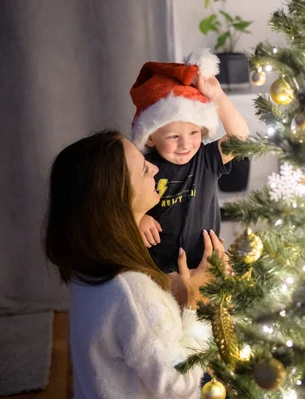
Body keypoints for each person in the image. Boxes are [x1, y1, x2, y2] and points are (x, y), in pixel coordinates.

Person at [44, 130, 223, 399]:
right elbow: (179, 383)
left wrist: (174, 296)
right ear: (116, 197)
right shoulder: (132, 292)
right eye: (142, 169)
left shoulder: (90, 265)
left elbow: (136, 335)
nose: (154, 168)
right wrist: (197, 303)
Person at [130, 49, 249, 274]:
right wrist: (139, 217)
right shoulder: (143, 168)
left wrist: (218, 97)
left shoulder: (206, 159)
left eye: (194, 133)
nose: (186, 145)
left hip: (207, 264)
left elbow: (240, 138)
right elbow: (118, 204)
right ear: (151, 137)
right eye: (174, 137)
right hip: (160, 272)